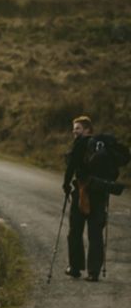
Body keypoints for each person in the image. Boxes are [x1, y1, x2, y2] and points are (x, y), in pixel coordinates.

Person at [63, 115, 108, 282]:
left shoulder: (81, 143)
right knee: (95, 233)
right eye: (74, 128)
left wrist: (66, 185)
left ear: (88, 130)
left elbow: (72, 165)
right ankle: (93, 272)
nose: (74, 131)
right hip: (100, 193)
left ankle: (75, 268)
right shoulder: (101, 145)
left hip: (82, 191)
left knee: (75, 230)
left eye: (78, 128)